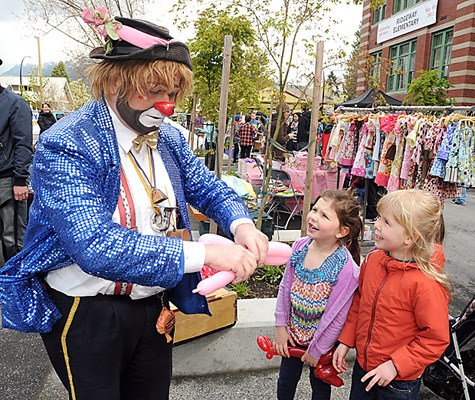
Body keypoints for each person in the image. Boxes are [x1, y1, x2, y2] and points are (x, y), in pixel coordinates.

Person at [0, 11, 268, 400]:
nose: (166, 106)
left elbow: (208, 187)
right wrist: (207, 252)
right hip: (88, 310)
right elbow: (95, 246)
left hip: (153, 305)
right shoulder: (67, 142)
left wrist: (241, 223)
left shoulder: (169, 136)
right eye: (154, 91)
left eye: (173, 94)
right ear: (115, 82)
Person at [333, 189, 451, 400]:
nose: (376, 224)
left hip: (398, 382)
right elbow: (360, 303)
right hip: (364, 368)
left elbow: (435, 338)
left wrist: (396, 365)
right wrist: (346, 340)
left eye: (386, 222)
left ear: (410, 237)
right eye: (379, 217)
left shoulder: (426, 284)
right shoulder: (373, 261)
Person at [274, 189, 362, 400]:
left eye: (324, 215)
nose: (313, 217)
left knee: (320, 386)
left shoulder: (346, 268)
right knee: (286, 380)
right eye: (314, 209)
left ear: (341, 231)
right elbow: (285, 288)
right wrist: (280, 326)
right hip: (292, 336)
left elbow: (338, 316)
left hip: (323, 344)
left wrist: (318, 349)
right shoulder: (300, 246)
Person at [0, 58, 33, 267]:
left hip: (7, 180)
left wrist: (20, 179)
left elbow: (23, 144)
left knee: (12, 237)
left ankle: (17, 283)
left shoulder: (14, 103)